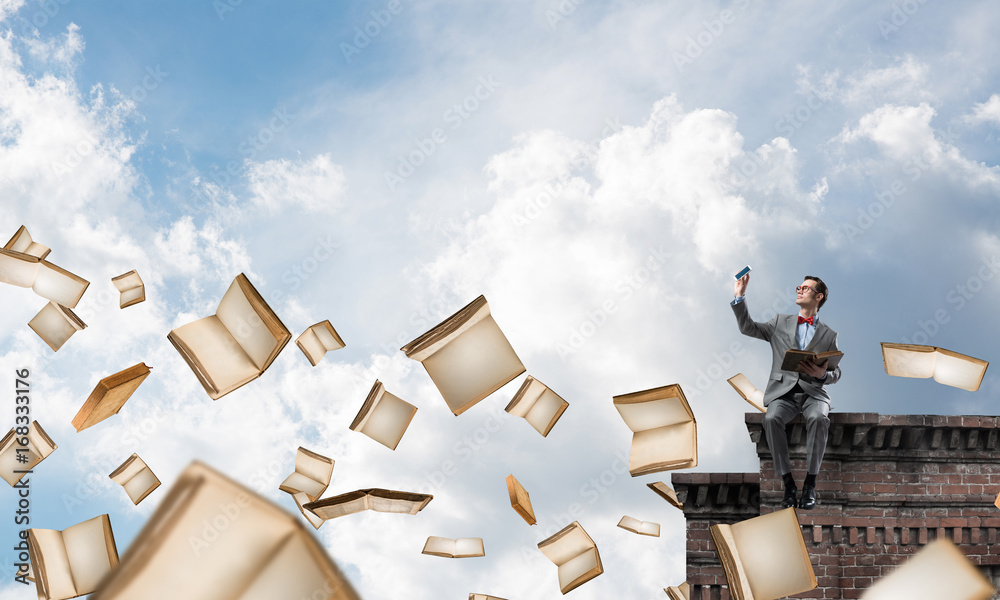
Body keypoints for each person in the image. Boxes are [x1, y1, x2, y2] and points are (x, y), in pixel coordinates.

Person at [731, 273, 841, 510]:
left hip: (814, 394)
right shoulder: (780, 322)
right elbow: (748, 328)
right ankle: (788, 484)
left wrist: (822, 375)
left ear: (818, 296)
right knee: (771, 418)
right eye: (798, 287)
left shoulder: (830, 335)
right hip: (784, 393)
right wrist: (739, 298)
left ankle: (810, 484)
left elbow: (836, 373)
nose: (799, 290)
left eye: (805, 288)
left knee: (820, 418)